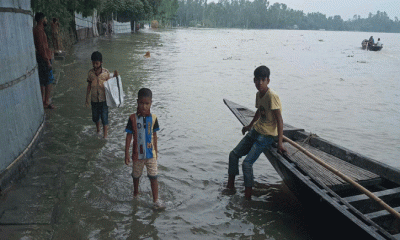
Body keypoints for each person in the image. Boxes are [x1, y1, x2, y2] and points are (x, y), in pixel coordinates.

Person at [224, 65, 286, 201]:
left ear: (268, 81)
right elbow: (259, 111)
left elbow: (280, 121)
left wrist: (280, 143)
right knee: (233, 155)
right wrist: (249, 126)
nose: (259, 83)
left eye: (262, 80)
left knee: (247, 164)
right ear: (254, 80)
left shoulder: (272, 96)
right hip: (257, 130)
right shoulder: (259, 94)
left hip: (267, 136)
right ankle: (230, 187)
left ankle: (247, 198)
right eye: (257, 80)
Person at [124, 88, 164, 209]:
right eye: (141, 103)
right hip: (137, 155)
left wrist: (156, 152)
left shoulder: (154, 118)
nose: (144, 106)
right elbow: (129, 136)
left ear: (151, 103)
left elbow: (155, 136)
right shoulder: (132, 119)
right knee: (136, 176)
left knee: (153, 176)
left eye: (147, 104)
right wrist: (126, 153)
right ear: (137, 102)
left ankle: (156, 200)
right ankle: (136, 193)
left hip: (151, 154)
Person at [85, 51, 118, 138]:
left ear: (101, 63)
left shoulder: (106, 73)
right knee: (95, 117)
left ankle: (105, 136)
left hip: (104, 100)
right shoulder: (90, 73)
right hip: (94, 99)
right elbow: (89, 86)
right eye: (93, 63)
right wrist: (87, 98)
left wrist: (115, 76)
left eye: (97, 63)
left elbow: (111, 84)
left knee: (104, 117)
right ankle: (98, 130)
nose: (95, 65)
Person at [33, 12, 55, 109]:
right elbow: (42, 47)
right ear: (42, 20)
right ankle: (46, 101)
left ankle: (43, 100)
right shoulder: (40, 31)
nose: (46, 20)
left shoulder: (36, 30)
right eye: (45, 19)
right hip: (44, 59)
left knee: (42, 80)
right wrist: (47, 61)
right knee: (49, 80)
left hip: (40, 57)